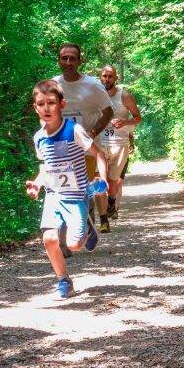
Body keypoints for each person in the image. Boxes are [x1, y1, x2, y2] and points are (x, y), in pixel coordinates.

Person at [25, 80, 108, 300]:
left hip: (77, 195)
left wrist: (102, 178)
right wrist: (37, 184)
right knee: (49, 238)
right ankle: (64, 281)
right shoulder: (39, 137)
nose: (46, 108)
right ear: (35, 108)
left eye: (51, 103)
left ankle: (88, 228)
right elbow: (47, 167)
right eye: (40, 104)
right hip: (54, 195)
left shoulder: (74, 130)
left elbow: (99, 154)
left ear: (62, 104)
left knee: (74, 245)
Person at [53, 43, 114, 238]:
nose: (68, 62)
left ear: (80, 61)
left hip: (86, 147)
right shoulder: (53, 85)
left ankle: (85, 222)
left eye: (73, 58)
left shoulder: (93, 85)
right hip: (61, 146)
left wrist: (93, 132)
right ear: (59, 61)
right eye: (64, 58)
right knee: (64, 189)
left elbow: (108, 112)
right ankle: (71, 231)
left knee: (82, 186)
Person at [98, 65, 141, 230]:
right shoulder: (95, 94)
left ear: (115, 78)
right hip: (99, 143)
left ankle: (111, 201)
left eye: (110, 76)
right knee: (99, 179)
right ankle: (103, 219)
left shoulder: (125, 96)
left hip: (119, 143)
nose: (107, 79)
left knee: (112, 179)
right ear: (100, 77)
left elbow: (138, 118)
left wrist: (125, 122)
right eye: (104, 76)